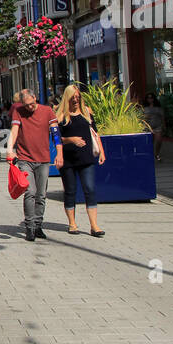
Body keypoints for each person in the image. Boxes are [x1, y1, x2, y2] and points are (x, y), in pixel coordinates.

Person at [6, 88, 60, 242]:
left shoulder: (47, 111)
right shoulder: (19, 112)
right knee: (30, 191)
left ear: (35, 98)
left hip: (43, 159)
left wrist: (59, 152)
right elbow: (14, 131)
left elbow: (55, 133)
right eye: (26, 105)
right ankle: (30, 226)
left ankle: (38, 225)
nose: (29, 107)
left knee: (41, 194)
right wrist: (10, 150)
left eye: (31, 104)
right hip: (25, 158)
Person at [55, 84, 106, 236]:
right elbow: (56, 139)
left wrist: (101, 152)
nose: (76, 100)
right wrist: (71, 139)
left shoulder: (86, 112)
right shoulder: (61, 116)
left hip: (86, 158)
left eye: (78, 97)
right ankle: (72, 223)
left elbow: (95, 133)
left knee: (89, 189)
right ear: (67, 98)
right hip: (68, 159)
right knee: (70, 191)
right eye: (73, 98)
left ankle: (94, 226)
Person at [142, 92, 165, 162]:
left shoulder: (158, 107)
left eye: (151, 98)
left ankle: (156, 154)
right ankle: (150, 155)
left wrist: (164, 125)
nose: (150, 99)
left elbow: (162, 116)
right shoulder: (144, 108)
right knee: (149, 142)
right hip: (148, 127)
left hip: (158, 125)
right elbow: (141, 117)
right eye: (148, 98)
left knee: (159, 141)